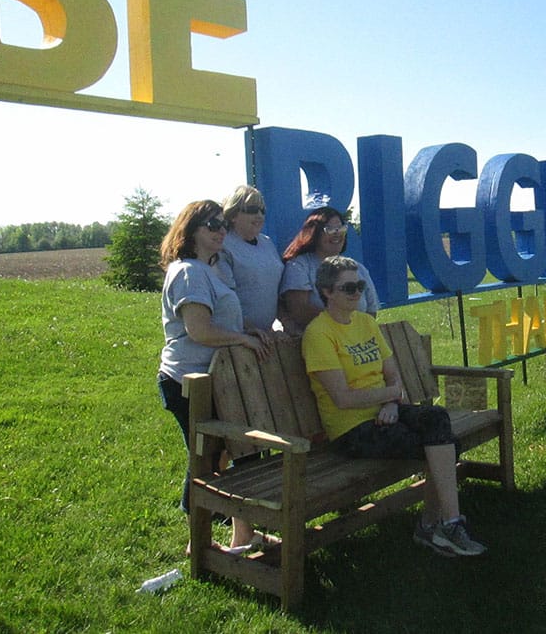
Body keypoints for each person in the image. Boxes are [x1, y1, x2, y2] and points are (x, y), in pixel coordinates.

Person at [301, 255, 486, 557]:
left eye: (359, 285)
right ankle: (436, 528)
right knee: (442, 445)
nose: (357, 292)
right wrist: (391, 395)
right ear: (326, 292)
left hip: (384, 411)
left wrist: (392, 401)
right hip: (352, 429)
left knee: (437, 418)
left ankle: (445, 523)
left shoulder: (365, 323)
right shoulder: (319, 334)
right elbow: (342, 398)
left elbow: (393, 373)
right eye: (348, 288)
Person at [156, 199, 272, 555]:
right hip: (189, 381)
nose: (221, 230)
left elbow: (224, 319)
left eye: (223, 224)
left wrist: (250, 328)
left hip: (218, 378)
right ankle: (200, 544)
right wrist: (241, 339)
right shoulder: (188, 271)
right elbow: (200, 330)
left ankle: (243, 536)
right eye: (211, 225)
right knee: (206, 457)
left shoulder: (214, 269)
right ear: (190, 232)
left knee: (235, 450)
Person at [280, 207, 379, 334]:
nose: (337, 233)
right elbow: (299, 310)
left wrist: (356, 333)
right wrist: (343, 326)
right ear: (314, 233)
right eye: (330, 229)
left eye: (341, 228)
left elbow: (371, 311)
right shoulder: (299, 266)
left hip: (356, 341)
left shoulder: (359, 268)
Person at [216, 185, 283, 337]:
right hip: (235, 334)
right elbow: (224, 297)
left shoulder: (267, 243)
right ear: (233, 214)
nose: (259, 215)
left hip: (265, 334)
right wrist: (249, 328)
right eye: (252, 210)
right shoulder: (223, 245)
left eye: (262, 211)